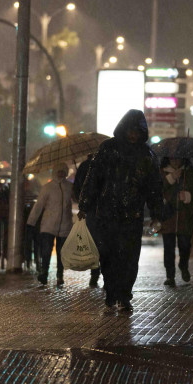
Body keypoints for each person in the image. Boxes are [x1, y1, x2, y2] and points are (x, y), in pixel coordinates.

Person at [77, 110, 164, 312]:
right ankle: (111, 293)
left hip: (132, 216)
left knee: (129, 257)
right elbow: (94, 178)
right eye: (130, 131)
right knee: (107, 255)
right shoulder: (108, 149)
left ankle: (124, 295)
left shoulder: (147, 156)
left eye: (137, 132)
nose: (133, 136)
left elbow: (154, 188)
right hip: (107, 213)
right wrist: (85, 204)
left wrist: (157, 213)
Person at [160, 157, 193, 287]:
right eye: (172, 158)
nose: (175, 160)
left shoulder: (190, 172)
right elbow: (156, 189)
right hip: (168, 217)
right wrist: (171, 178)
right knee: (168, 248)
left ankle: (183, 265)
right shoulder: (162, 172)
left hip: (185, 217)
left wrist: (189, 195)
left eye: (177, 157)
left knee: (185, 246)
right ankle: (170, 275)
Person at [27, 163, 74, 286]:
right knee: (46, 251)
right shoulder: (47, 188)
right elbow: (39, 206)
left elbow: (77, 199)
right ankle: (44, 273)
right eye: (59, 171)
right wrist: (31, 222)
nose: (61, 173)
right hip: (48, 225)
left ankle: (60, 275)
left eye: (63, 171)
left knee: (62, 253)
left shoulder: (70, 187)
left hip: (65, 225)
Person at [72, 154, 101, 288]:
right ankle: (100, 274)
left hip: (91, 211)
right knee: (103, 243)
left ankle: (94, 274)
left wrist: (82, 205)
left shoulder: (84, 166)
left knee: (93, 242)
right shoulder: (106, 164)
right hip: (102, 210)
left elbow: (77, 189)